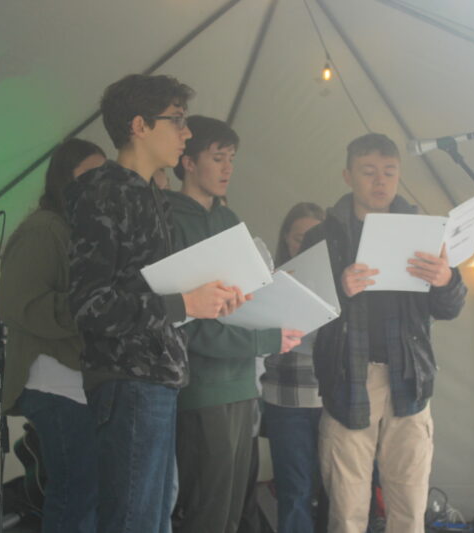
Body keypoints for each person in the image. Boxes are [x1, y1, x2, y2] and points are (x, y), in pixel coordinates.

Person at [65, 75, 244, 533]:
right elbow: (90, 305)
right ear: (139, 126)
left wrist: (208, 300)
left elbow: (154, 292)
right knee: (135, 520)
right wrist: (183, 304)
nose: (186, 132)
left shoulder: (149, 197)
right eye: (177, 120)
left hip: (157, 378)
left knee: (154, 517)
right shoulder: (106, 192)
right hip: (128, 379)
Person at [301, 133, 468, 533]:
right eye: (369, 172)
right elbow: (302, 309)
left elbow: (449, 308)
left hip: (409, 379)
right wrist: (338, 288)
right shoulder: (323, 236)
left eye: (389, 172)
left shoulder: (426, 231)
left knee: (409, 509)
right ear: (348, 176)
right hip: (348, 379)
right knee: (346, 512)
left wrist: (447, 280)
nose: (380, 181)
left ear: (399, 176)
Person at [167, 115, 303, 533]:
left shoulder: (230, 221)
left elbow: (246, 300)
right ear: (188, 162)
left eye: (232, 159)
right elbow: (188, 323)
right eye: (217, 158)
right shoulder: (169, 220)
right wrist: (265, 339)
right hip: (201, 386)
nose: (228, 168)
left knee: (236, 510)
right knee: (206, 509)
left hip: (244, 383)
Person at [0, 138, 106, 533]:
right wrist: (92, 306)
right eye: (89, 176)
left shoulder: (81, 230)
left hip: (78, 384)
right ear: (64, 180)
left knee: (85, 492)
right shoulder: (44, 230)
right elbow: (19, 304)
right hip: (54, 384)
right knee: (75, 493)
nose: (99, 185)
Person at [261, 202, 329, 533]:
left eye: (313, 237)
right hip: (285, 399)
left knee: (337, 492)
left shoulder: (341, 282)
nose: (304, 244)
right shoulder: (269, 280)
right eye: (299, 237)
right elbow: (257, 335)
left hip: (331, 400)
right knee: (294, 491)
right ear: (286, 239)